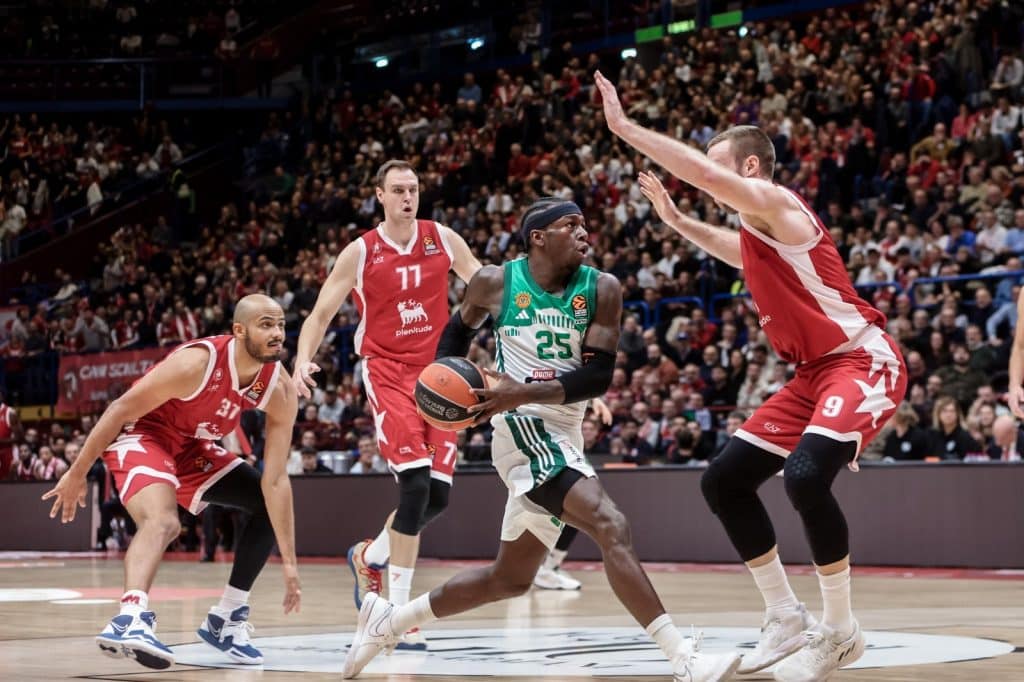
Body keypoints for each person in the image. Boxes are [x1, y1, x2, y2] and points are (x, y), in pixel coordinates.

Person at [342, 198, 741, 681]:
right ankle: (683, 659)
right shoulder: (494, 282)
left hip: (561, 427)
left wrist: (522, 390)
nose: (583, 232)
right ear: (538, 237)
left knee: (509, 579)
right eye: (570, 225)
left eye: (584, 224)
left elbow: (597, 377)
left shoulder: (602, 288)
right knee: (610, 523)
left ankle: (387, 622)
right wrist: (448, 394)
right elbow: (453, 339)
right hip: (522, 428)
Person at [596, 72, 907, 681]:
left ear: (753, 168)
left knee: (806, 477)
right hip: (813, 374)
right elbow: (733, 250)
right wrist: (677, 221)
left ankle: (840, 631)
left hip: (862, 358)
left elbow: (706, 177)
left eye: (721, 170)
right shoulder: (758, 230)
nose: (712, 183)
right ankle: (784, 614)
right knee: (724, 482)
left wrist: (625, 128)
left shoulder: (779, 204)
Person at [42, 294, 301, 670]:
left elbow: (276, 481)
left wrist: (290, 564)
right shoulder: (197, 363)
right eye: (266, 325)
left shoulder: (279, 389)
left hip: (191, 446)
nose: (277, 333)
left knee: (266, 505)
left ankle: (226, 619)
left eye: (281, 325)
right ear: (239, 331)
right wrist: (77, 471)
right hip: (144, 433)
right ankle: (129, 618)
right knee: (163, 522)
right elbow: (119, 408)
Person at [292, 159, 481, 649]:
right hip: (389, 373)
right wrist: (302, 361)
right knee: (415, 488)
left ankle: (369, 556)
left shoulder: (442, 238)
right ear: (379, 195)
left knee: (437, 498)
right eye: (397, 190)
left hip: (439, 376)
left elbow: (485, 286)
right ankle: (398, 614)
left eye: (413, 189)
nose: (407, 197)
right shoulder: (360, 252)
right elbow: (319, 314)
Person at [532, 397, 612, 591]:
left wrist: (594, 399)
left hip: (550, 458)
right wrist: (593, 398)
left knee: (576, 516)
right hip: (543, 459)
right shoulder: (550, 422)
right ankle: (544, 569)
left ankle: (548, 567)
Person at [0, 388, 24, 480]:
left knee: (9, 482)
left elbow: (20, 437)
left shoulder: (10, 413)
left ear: (1, 397)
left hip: (8, 452)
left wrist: (1, 441)